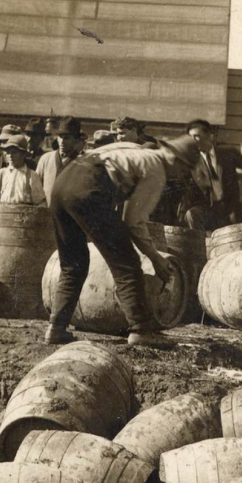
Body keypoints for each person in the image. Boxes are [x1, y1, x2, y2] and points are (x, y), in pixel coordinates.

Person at [45, 135, 200, 347]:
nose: (182, 176)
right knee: (127, 264)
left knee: (74, 264)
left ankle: (56, 328)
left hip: (61, 186)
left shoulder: (132, 148)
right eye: (184, 170)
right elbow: (132, 221)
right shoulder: (156, 169)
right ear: (176, 160)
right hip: (88, 191)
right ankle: (141, 329)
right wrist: (155, 257)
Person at [181, 119, 242, 232]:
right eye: (191, 137)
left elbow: (234, 188)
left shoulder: (226, 156)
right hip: (206, 209)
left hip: (227, 208)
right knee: (192, 214)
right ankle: (198, 247)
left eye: (196, 136)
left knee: (241, 214)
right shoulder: (191, 161)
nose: (193, 141)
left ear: (210, 136)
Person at [36, 116, 87, 205]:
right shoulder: (46, 159)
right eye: (60, 136)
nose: (62, 141)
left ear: (75, 139)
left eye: (66, 138)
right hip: (46, 212)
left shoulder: (82, 163)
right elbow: (36, 187)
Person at [0, 135, 46, 205]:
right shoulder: (1, 174)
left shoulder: (32, 176)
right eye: (8, 152)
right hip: (3, 213)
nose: (10, 156)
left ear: (23, 154)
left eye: (14, 152)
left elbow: (40, 202)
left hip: (24, 214)